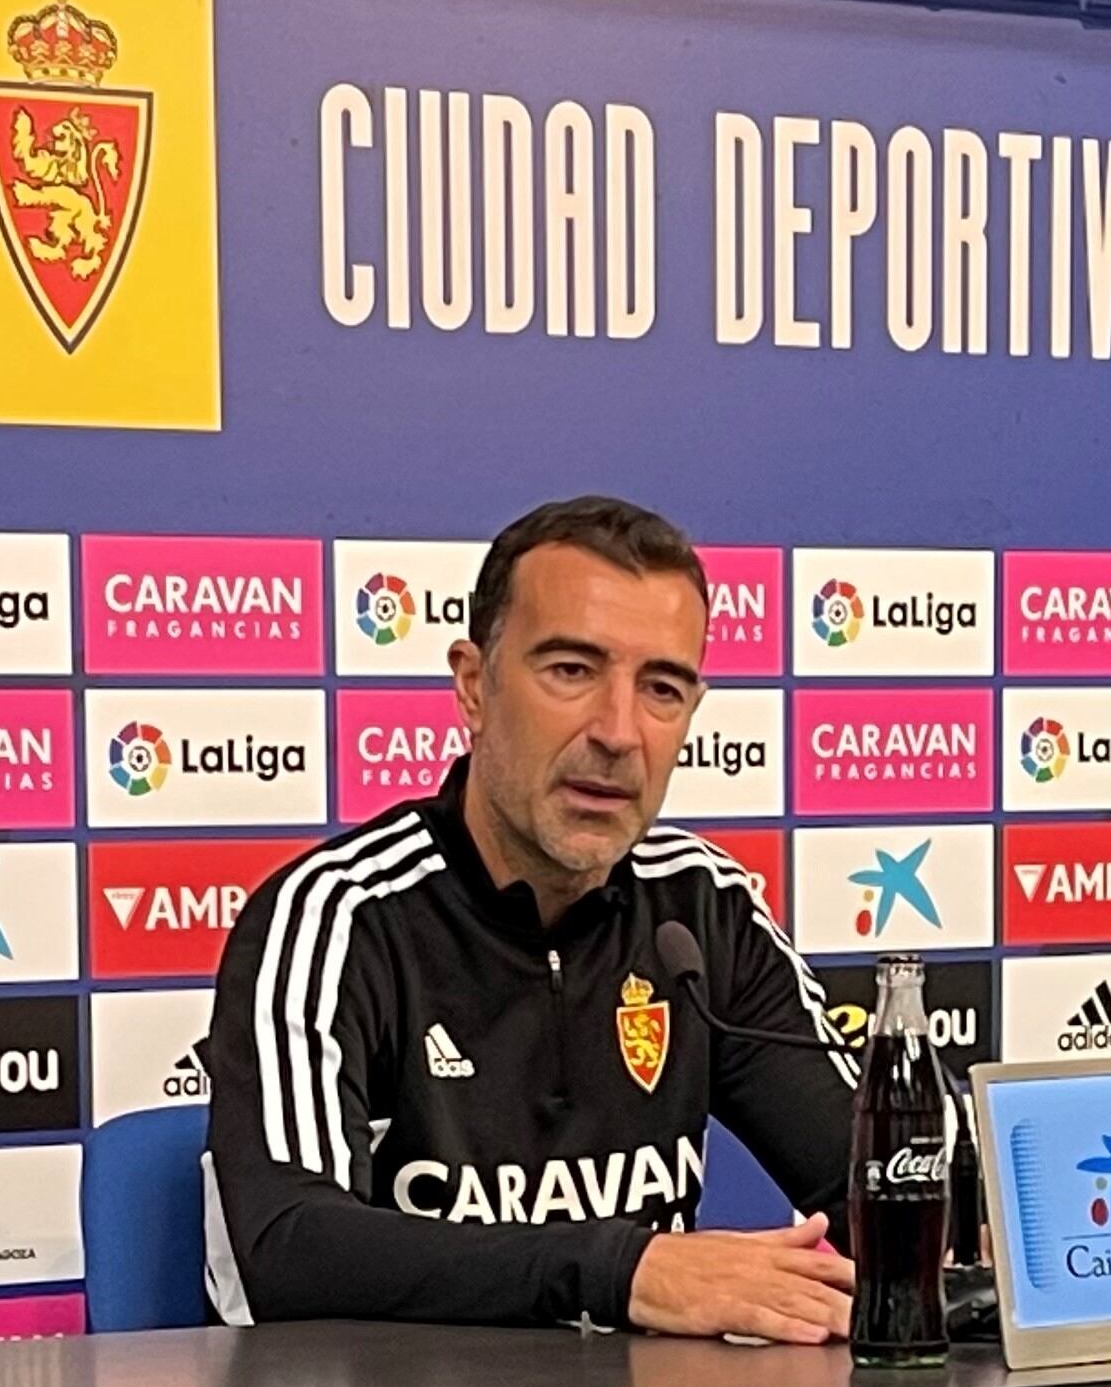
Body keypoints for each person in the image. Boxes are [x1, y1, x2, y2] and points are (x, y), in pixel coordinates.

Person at [202, 496, 857, 1342]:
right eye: (571, 671)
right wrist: (623, 1271)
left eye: (660, 688)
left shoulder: (702, 908)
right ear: (473, 686)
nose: (618, 733)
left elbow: (880, 1177)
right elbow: (288, 1245)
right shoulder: (337, 914)